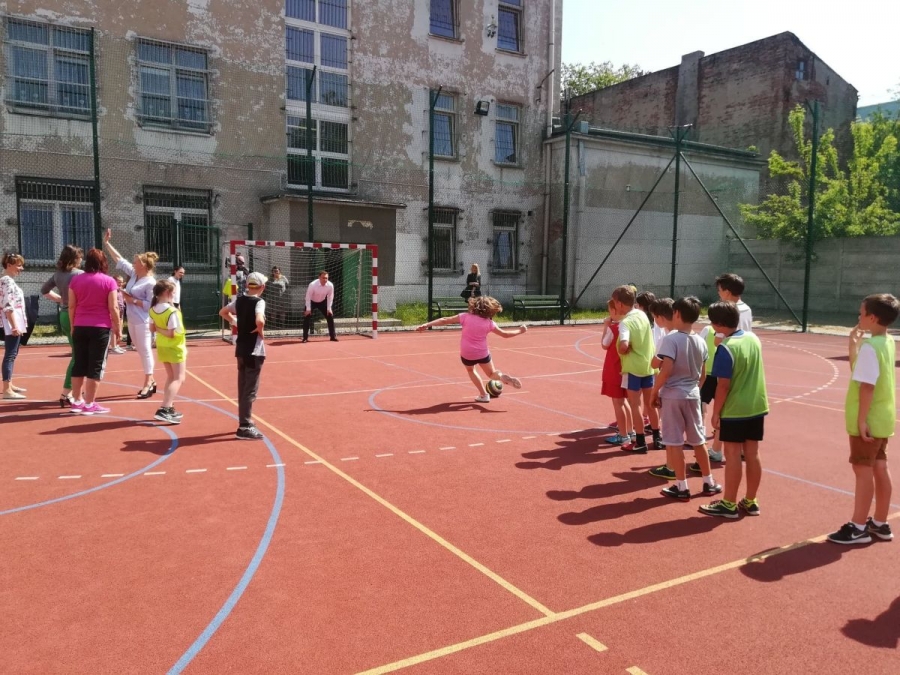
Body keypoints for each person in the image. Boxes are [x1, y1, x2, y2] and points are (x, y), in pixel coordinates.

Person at [827, 294, 899, 545]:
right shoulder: (886, 341)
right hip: (883, 418)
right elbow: (861, 372)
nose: (858, 316)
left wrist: (861, 420)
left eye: (861, 312)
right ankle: (880, 522)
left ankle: (858, 527)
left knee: (863, 470)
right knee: (880, 467)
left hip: (869, 419)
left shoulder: (871, 347)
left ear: (873, 317)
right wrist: (853, 345)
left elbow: (867, 386)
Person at [699, 301, 768, 519]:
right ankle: (751, 499)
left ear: (718, 324)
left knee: (732, 454)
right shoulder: (753, 338)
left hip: (735, 408)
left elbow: (723, 385)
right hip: (756, 405)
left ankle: (728, 503)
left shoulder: (726, 348)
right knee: (752, 453)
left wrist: (716, 413)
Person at [648, 297, 722, 499]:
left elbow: (665, 369)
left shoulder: (671, 339)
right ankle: (708, 481)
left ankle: (681, 485)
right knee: (698, 440)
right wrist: (693, 389)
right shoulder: (701, 340)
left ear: (677, 314)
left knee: (674, 442)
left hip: (673, 395)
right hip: (692, 394)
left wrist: (655, 392)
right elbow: (703, 375)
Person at [416, 295, 526, 402]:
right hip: (482, 353)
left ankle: (484, 395)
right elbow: (505, 334)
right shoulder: (489, 323)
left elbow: (445, 320)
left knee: (471, 370)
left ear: (474, 306)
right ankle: (501, 377)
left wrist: (427, 325)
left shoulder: (465, 317)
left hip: (467, 353)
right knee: (491, 374)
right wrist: (520, 331)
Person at [103, 229, 158, 398]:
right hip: (132, 320)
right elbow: (119, 259)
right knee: (139, 350)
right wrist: (107, 243)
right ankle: (152, 380)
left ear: (144, 266)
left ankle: (148, 382)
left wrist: (131, 299)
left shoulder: (150, 282)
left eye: (136, 262)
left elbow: (150, 305)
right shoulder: (134, 274)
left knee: (145, 351)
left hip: (143, 321)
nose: (133, 264)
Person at [67, 248, 121, 415]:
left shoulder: (75, 280)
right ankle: (89, 404)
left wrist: (73, 325)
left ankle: (77, 401)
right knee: (96, 365)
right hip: (100, 327)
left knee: (79, 363)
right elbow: (113, 307)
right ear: (103, 262)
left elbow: (71, 306)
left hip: (80, 325)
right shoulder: (109, 281)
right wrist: (118, 327)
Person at [219, 271, 268, 440]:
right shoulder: (259, 302)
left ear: (247, 285)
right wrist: (260, 330)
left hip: (240, 349)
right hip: (254, 351)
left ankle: (244, 420)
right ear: (262, 287)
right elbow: (260, 320)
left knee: (242, 386)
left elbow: (223, 312)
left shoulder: (239, 300)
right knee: (250, 389)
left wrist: (235, 322)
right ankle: (244, 425)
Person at [612, 285, 661, 453]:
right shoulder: (642, 315)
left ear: (619, 304)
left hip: (633, 368)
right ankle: (657, 438)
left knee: (635, 405)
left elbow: (624, 344)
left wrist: (623, 349)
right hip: (648, 365)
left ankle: (640, 441)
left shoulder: (625, 323)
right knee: (651, 404)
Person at [41, 245, 84, 406]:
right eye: (80, 257)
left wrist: (61, 300)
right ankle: (67, 391)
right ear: (74, 259)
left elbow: (44, 290)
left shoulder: (58, 274)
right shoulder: (79, 274)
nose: (81, 260)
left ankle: (74, 388)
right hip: (75, 315)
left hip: (64, 315)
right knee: (78, 356)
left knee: (78, 353)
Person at [149, 280, 187, 425]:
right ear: (167, 293)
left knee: (171, 377)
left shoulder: (153, 309)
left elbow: (151, 328)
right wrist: (160, 329)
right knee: (179, 378)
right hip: (174, 346)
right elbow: (172, 333)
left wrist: (158, 329)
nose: (175, 294)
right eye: (173, 292)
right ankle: (164, 408)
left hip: (162, 345)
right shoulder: (172, 311)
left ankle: (169, 407)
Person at [602, 299, 633, 446]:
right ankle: (630, 431)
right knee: (624, 400)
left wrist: (606, 326)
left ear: (614, 311)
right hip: (626, 368)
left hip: (614, 369)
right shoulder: (629, 326)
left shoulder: (614, 328)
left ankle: (623, 435)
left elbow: (604, 344)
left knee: (618, 402)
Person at [1, 253, 28, 400]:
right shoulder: (7, 281)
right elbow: (7, 305)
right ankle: (6, 389)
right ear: (9, 265)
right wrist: (14, 326)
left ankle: (9, 384)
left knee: (13, 354)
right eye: (18, 265)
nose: (21, 268)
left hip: (15, 321)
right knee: (10, 355)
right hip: (11, 322)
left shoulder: (9, 280)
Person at [303, 270, 337, 342]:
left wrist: (329, 308)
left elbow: (330, 297)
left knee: (330, 316)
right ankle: (305, 338)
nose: (325, 280)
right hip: (312, 301)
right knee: (307, 317)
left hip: (322, 301)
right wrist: (308, 309)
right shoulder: (312, 285)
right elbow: (308, 297)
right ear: (319, 278)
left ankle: (333, 336)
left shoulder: (330, 285)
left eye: (326, 278)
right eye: (323, 278)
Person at [110, 274, 128, 354]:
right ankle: (113, 346)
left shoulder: (121, 291)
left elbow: (123, 300)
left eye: (122, 282)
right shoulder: (113, 290)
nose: (121, 283)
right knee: (114, 329)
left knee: (120, 328)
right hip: (115, 311)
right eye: (119, 282)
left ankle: (117, 345)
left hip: (121, 311)